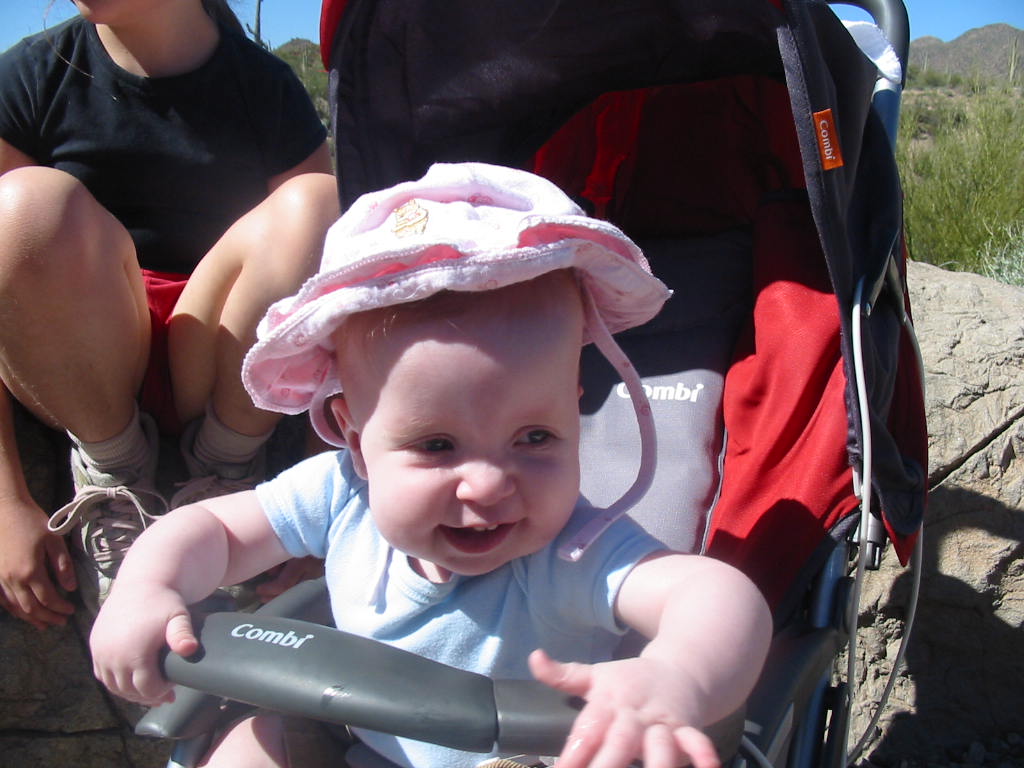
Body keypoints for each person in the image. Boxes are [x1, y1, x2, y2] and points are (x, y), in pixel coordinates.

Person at [89, 163, 772, 768]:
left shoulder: (572, 551)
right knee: (253, 743)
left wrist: (676, 675)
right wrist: (146, 585)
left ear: (576, 411)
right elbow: (217, 529)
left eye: (535, 437)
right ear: (356, 442)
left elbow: (713, 597)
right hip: (363, 744)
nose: (488, 483)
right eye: (438, 446)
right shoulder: (342, 496)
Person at [0, 0, 340, 626]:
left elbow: (334, 293)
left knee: (319, 202)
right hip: (83, 354)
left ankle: (226, 478)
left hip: (216, 352)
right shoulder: (30, 77)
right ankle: (114, 477)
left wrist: (340, 505)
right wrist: (6, 504)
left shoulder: (263, 87)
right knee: (20, 205)